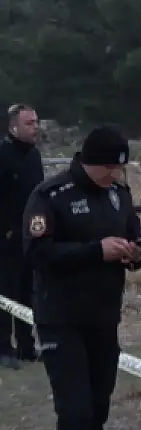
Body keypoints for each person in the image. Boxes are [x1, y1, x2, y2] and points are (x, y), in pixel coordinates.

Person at [23, 125, 141, 430]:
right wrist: (96, 251)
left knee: (97, 410)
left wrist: (135, 253)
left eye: (119, 169)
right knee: (74, 411)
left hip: (103, 319)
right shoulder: (51, 195)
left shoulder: (119, 194)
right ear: (89, 161)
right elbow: (38, 253)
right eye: (109, 167)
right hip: (61, 318)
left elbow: (137, 237)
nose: (114, 175)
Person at [0, 104, 44, 368]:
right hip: (6, 239)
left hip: (31, 237)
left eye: (36, 122)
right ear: (14, 126)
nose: (35, 127)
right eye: (29, 123)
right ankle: (4, 348)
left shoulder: (34, 156)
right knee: (6, 293)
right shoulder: (3, 155)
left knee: (29, 293)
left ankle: (27, 346)